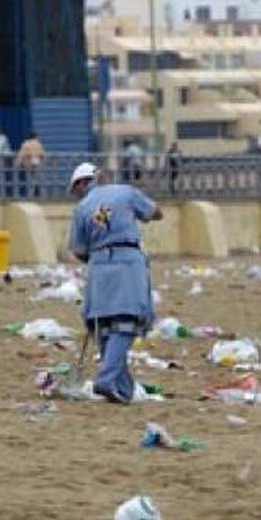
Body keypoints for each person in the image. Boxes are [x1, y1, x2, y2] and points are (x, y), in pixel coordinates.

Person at [67, 162, 163, 404]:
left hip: (98, 264)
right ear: (99, 176)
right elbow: (154, 212)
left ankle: (124, 388)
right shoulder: (125, 192)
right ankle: (107, 379)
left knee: (104, 324)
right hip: (128, 260)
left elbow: (78, 249)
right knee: (127, 322)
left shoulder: (81, 209)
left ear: (82, 184)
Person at [16, 132, 45, 198]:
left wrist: (18, 163)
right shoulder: (38, 144)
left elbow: (21, 154)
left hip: (28, 164)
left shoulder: (26, 144)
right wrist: (42, 162)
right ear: (35, 137)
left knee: (30, 180)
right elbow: (42, 155)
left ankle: (31, 195)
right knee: (37, 180)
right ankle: (38, 194)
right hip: (37, 163)